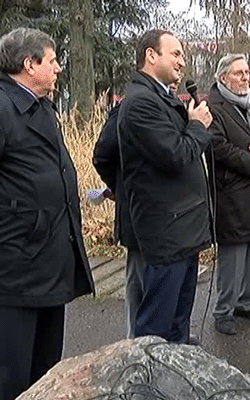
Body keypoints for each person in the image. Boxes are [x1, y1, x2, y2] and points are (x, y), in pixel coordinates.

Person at [0, 28, 95, 399]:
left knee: (46, 374)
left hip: (49, 263)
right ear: (29, 64)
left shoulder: (40, 106)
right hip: (16, 269)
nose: (58, 69)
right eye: (52, 61)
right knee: (12, 376)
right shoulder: (4, 107)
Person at [117, 29, 213, 344]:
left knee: (177, 325)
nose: (182, 62)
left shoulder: (163, 96)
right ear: (151, 55)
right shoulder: (141, 102)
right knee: (156, 331)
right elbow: (176, 155)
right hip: (167, 231)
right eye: (176, 54)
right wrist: (197, 125)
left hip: (182, 229)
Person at [92, 77, 182, 339]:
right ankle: (136, 344)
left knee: (166, 287)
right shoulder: (128, 111)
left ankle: (163, 338)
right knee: (140, 285)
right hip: (140, 216)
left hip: (170, 219)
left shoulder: (172, 111)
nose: (173, 86)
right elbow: (102, 156)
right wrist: (122, 189)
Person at [208, 54, 250, 335]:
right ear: (223, 77)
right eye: (238, 73)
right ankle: (224, 310)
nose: (245, 77)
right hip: (232, 192)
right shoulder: (214, 107)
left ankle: (247, 302)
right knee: (232, 256)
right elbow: (217, 146)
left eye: (247, 71)